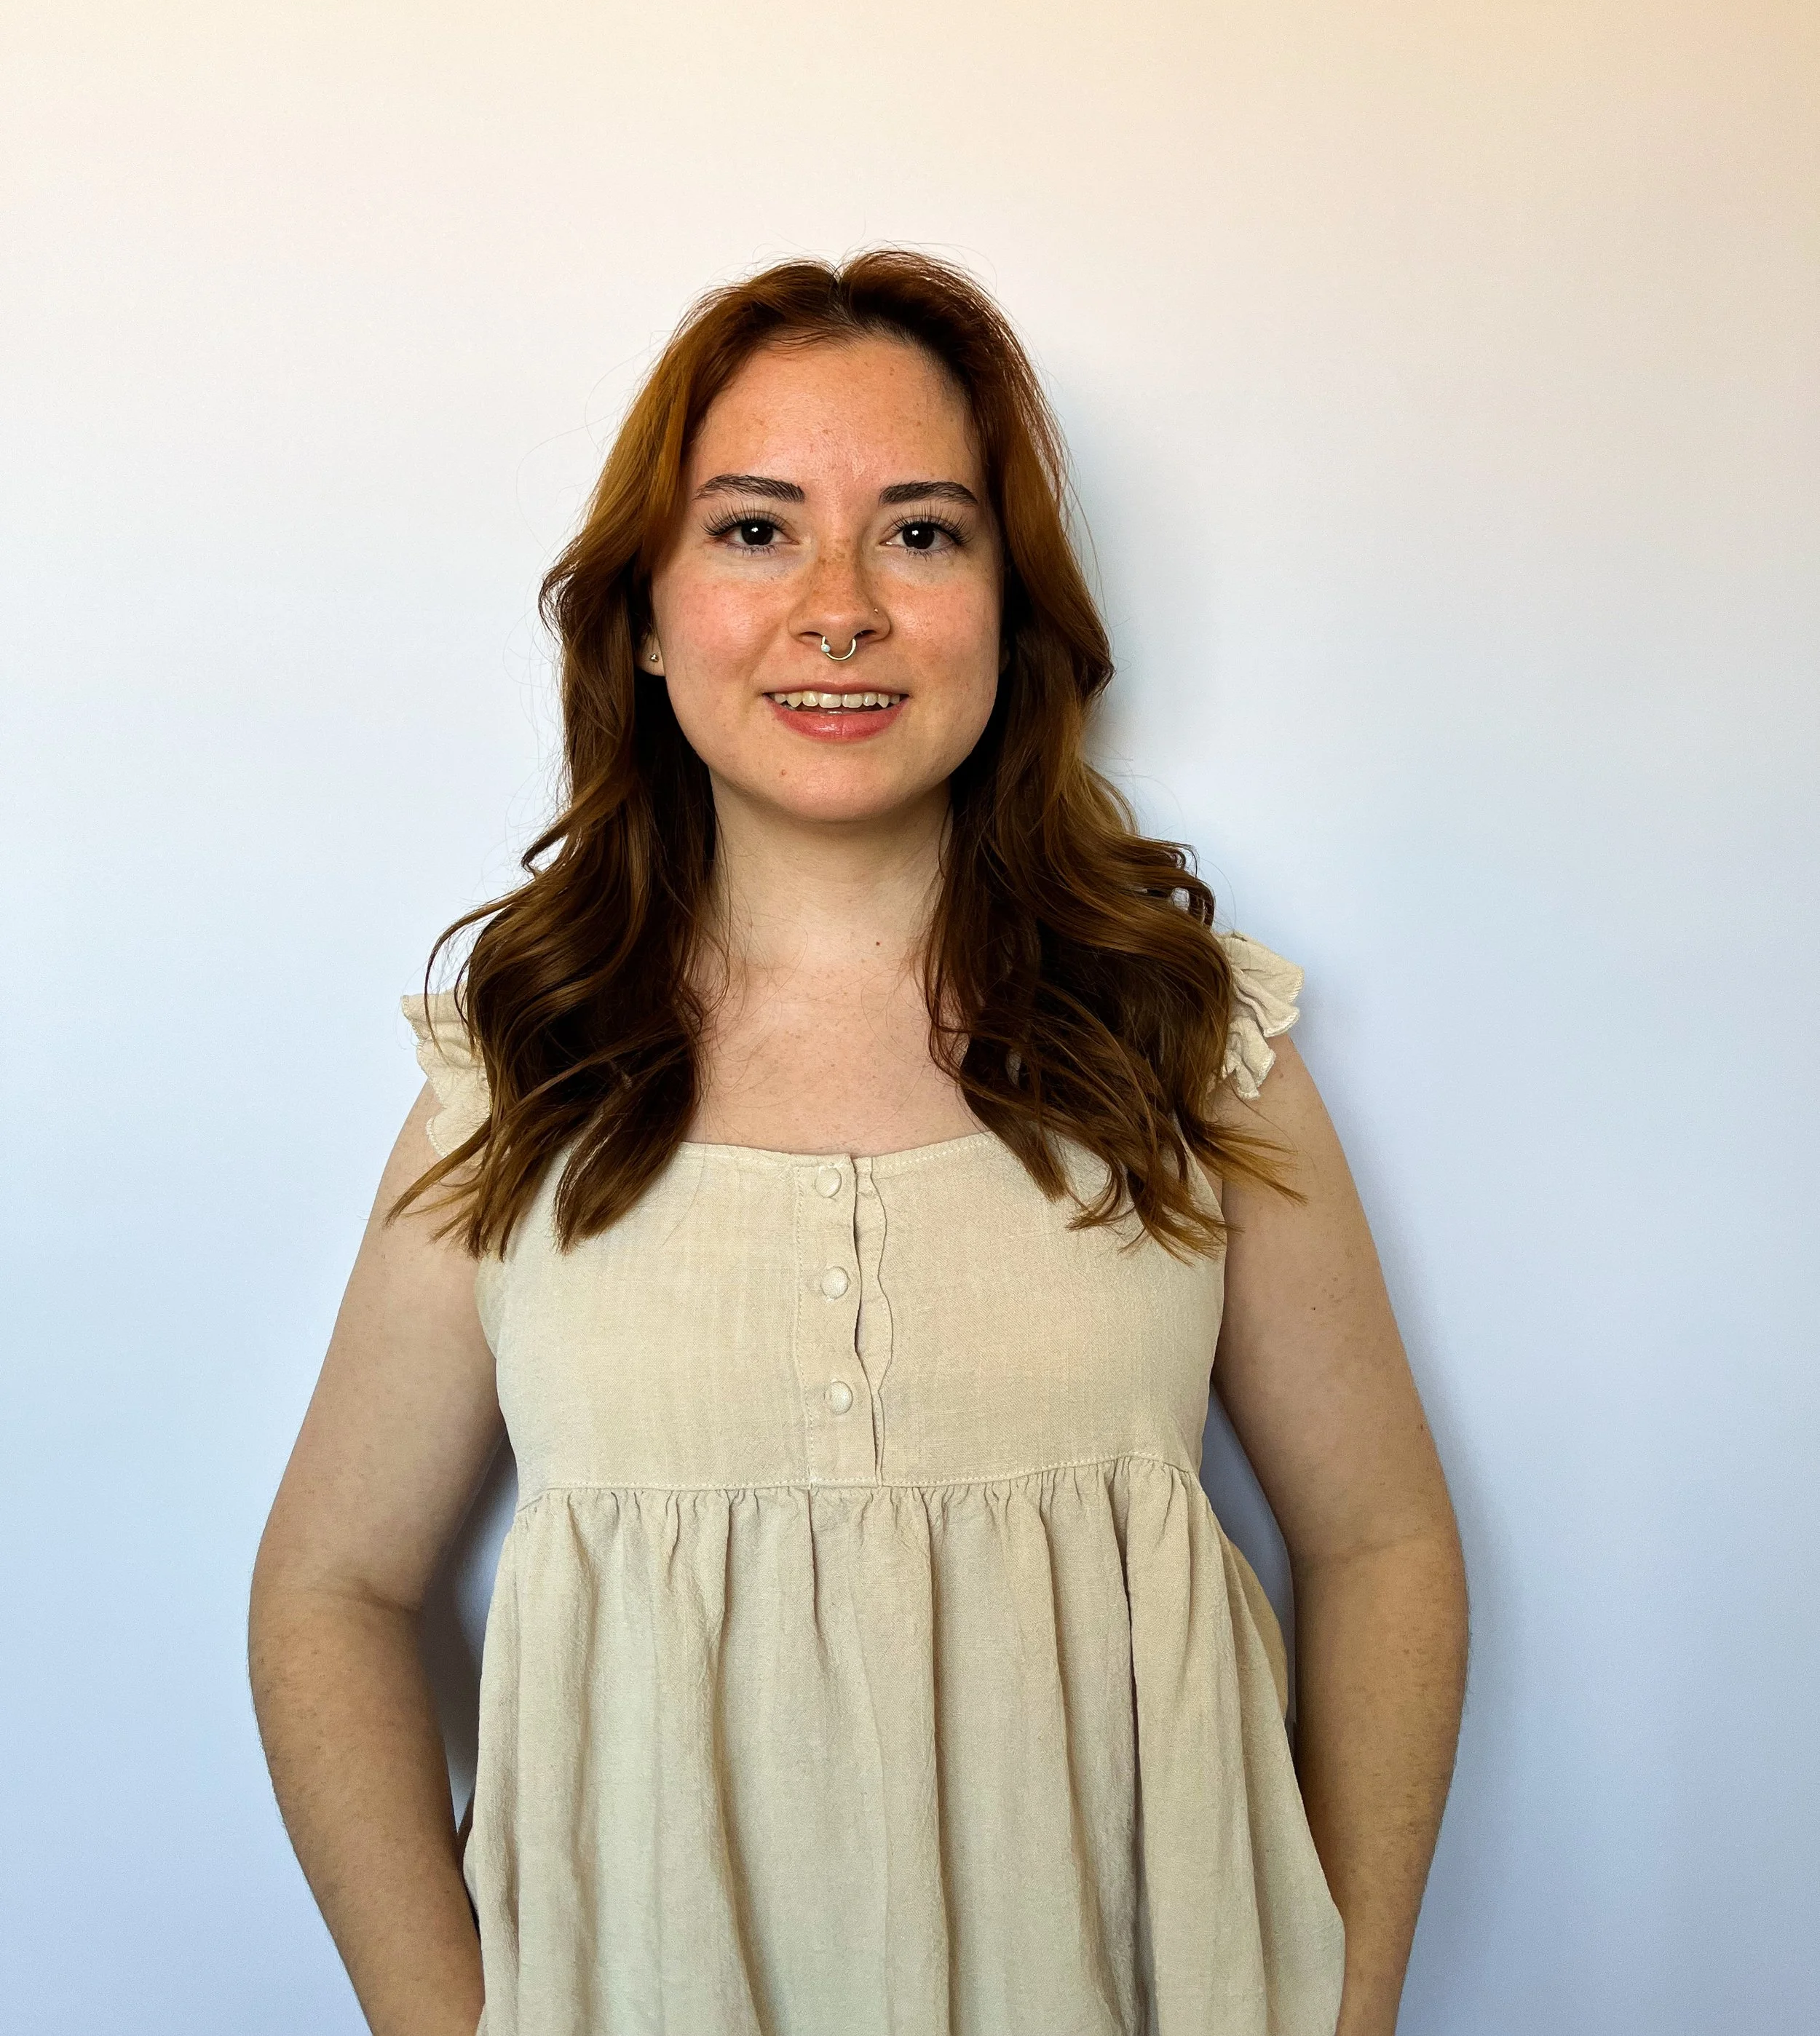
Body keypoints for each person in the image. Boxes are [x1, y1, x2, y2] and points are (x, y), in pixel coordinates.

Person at [248, 250, 1468, 2036]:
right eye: (754, 530)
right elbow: (332, 1587)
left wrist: (1341, 2014)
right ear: (644, 616)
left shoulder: (1187, 1045)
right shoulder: (522, 1075)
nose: (839, 608)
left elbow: (1379, 1542)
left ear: (1007, 611)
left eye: (919, 533)